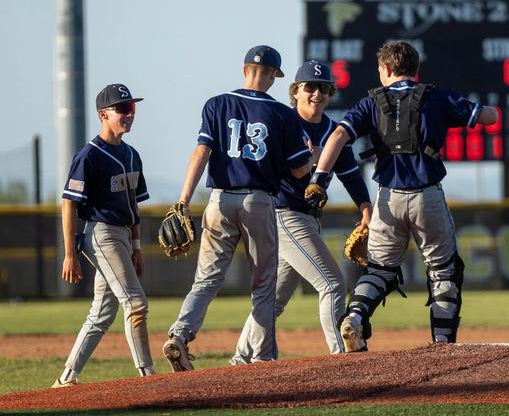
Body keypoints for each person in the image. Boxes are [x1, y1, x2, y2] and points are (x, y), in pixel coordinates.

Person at [305, 41, 498, 352]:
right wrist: (479, 109)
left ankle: (354, 316)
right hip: (428, 197)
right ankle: (443, 344)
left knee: (379, 270)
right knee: (443, 271)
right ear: (414, 70)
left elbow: (338, 135)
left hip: (387, 199)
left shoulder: (370, 103)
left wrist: (320, 179)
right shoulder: (435, 97)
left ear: (387, 69)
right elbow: (488, 117)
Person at [163, 45, 313, 371]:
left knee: (205, 280)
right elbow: (300, 171)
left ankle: (179, 333)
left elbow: (200, 154)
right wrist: (311, 155)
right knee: (263, 286)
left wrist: (182, 202)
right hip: (257, 202)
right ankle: (262, 359)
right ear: (274, 75)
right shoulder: (283, 115)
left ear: (245, 69)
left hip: (218, 200)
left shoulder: (216, 104)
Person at [231, 60, 372, 360]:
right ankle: (342, 358)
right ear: (295, 91)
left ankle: (240, 359)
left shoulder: (334, 131)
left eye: (323, 88)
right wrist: (308, 159)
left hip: (306, 218)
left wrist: (365, 207)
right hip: (284, 214)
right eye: (310, 87)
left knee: (273, 300)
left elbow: (350, 174)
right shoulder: (282, 121)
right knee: (333, 284)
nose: (316, 94)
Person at [56, 83, 155, 387]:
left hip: (124, 237)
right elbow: (69, 203)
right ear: (103, 114)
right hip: (101, 234)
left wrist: (136, 246)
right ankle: (148, 377)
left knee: (102, 312)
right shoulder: (90, 155)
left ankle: (66, 379)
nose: (129, 114)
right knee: (136, 303)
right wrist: (70, 253)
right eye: (122, 109)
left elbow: (134, 207)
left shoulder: (132, 155)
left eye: (132, 108)